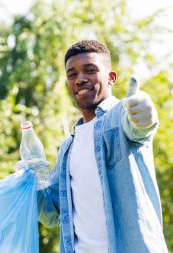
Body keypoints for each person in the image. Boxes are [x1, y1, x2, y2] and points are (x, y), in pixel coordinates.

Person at [18, 40, 168, 252]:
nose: (80, 79)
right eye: (72, 74)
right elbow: (52, 214)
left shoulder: (119, 115)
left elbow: (138, 128)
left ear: (111, 77)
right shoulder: (68, 148)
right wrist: (29, 183)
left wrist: (145, 115)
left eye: (90, 70)